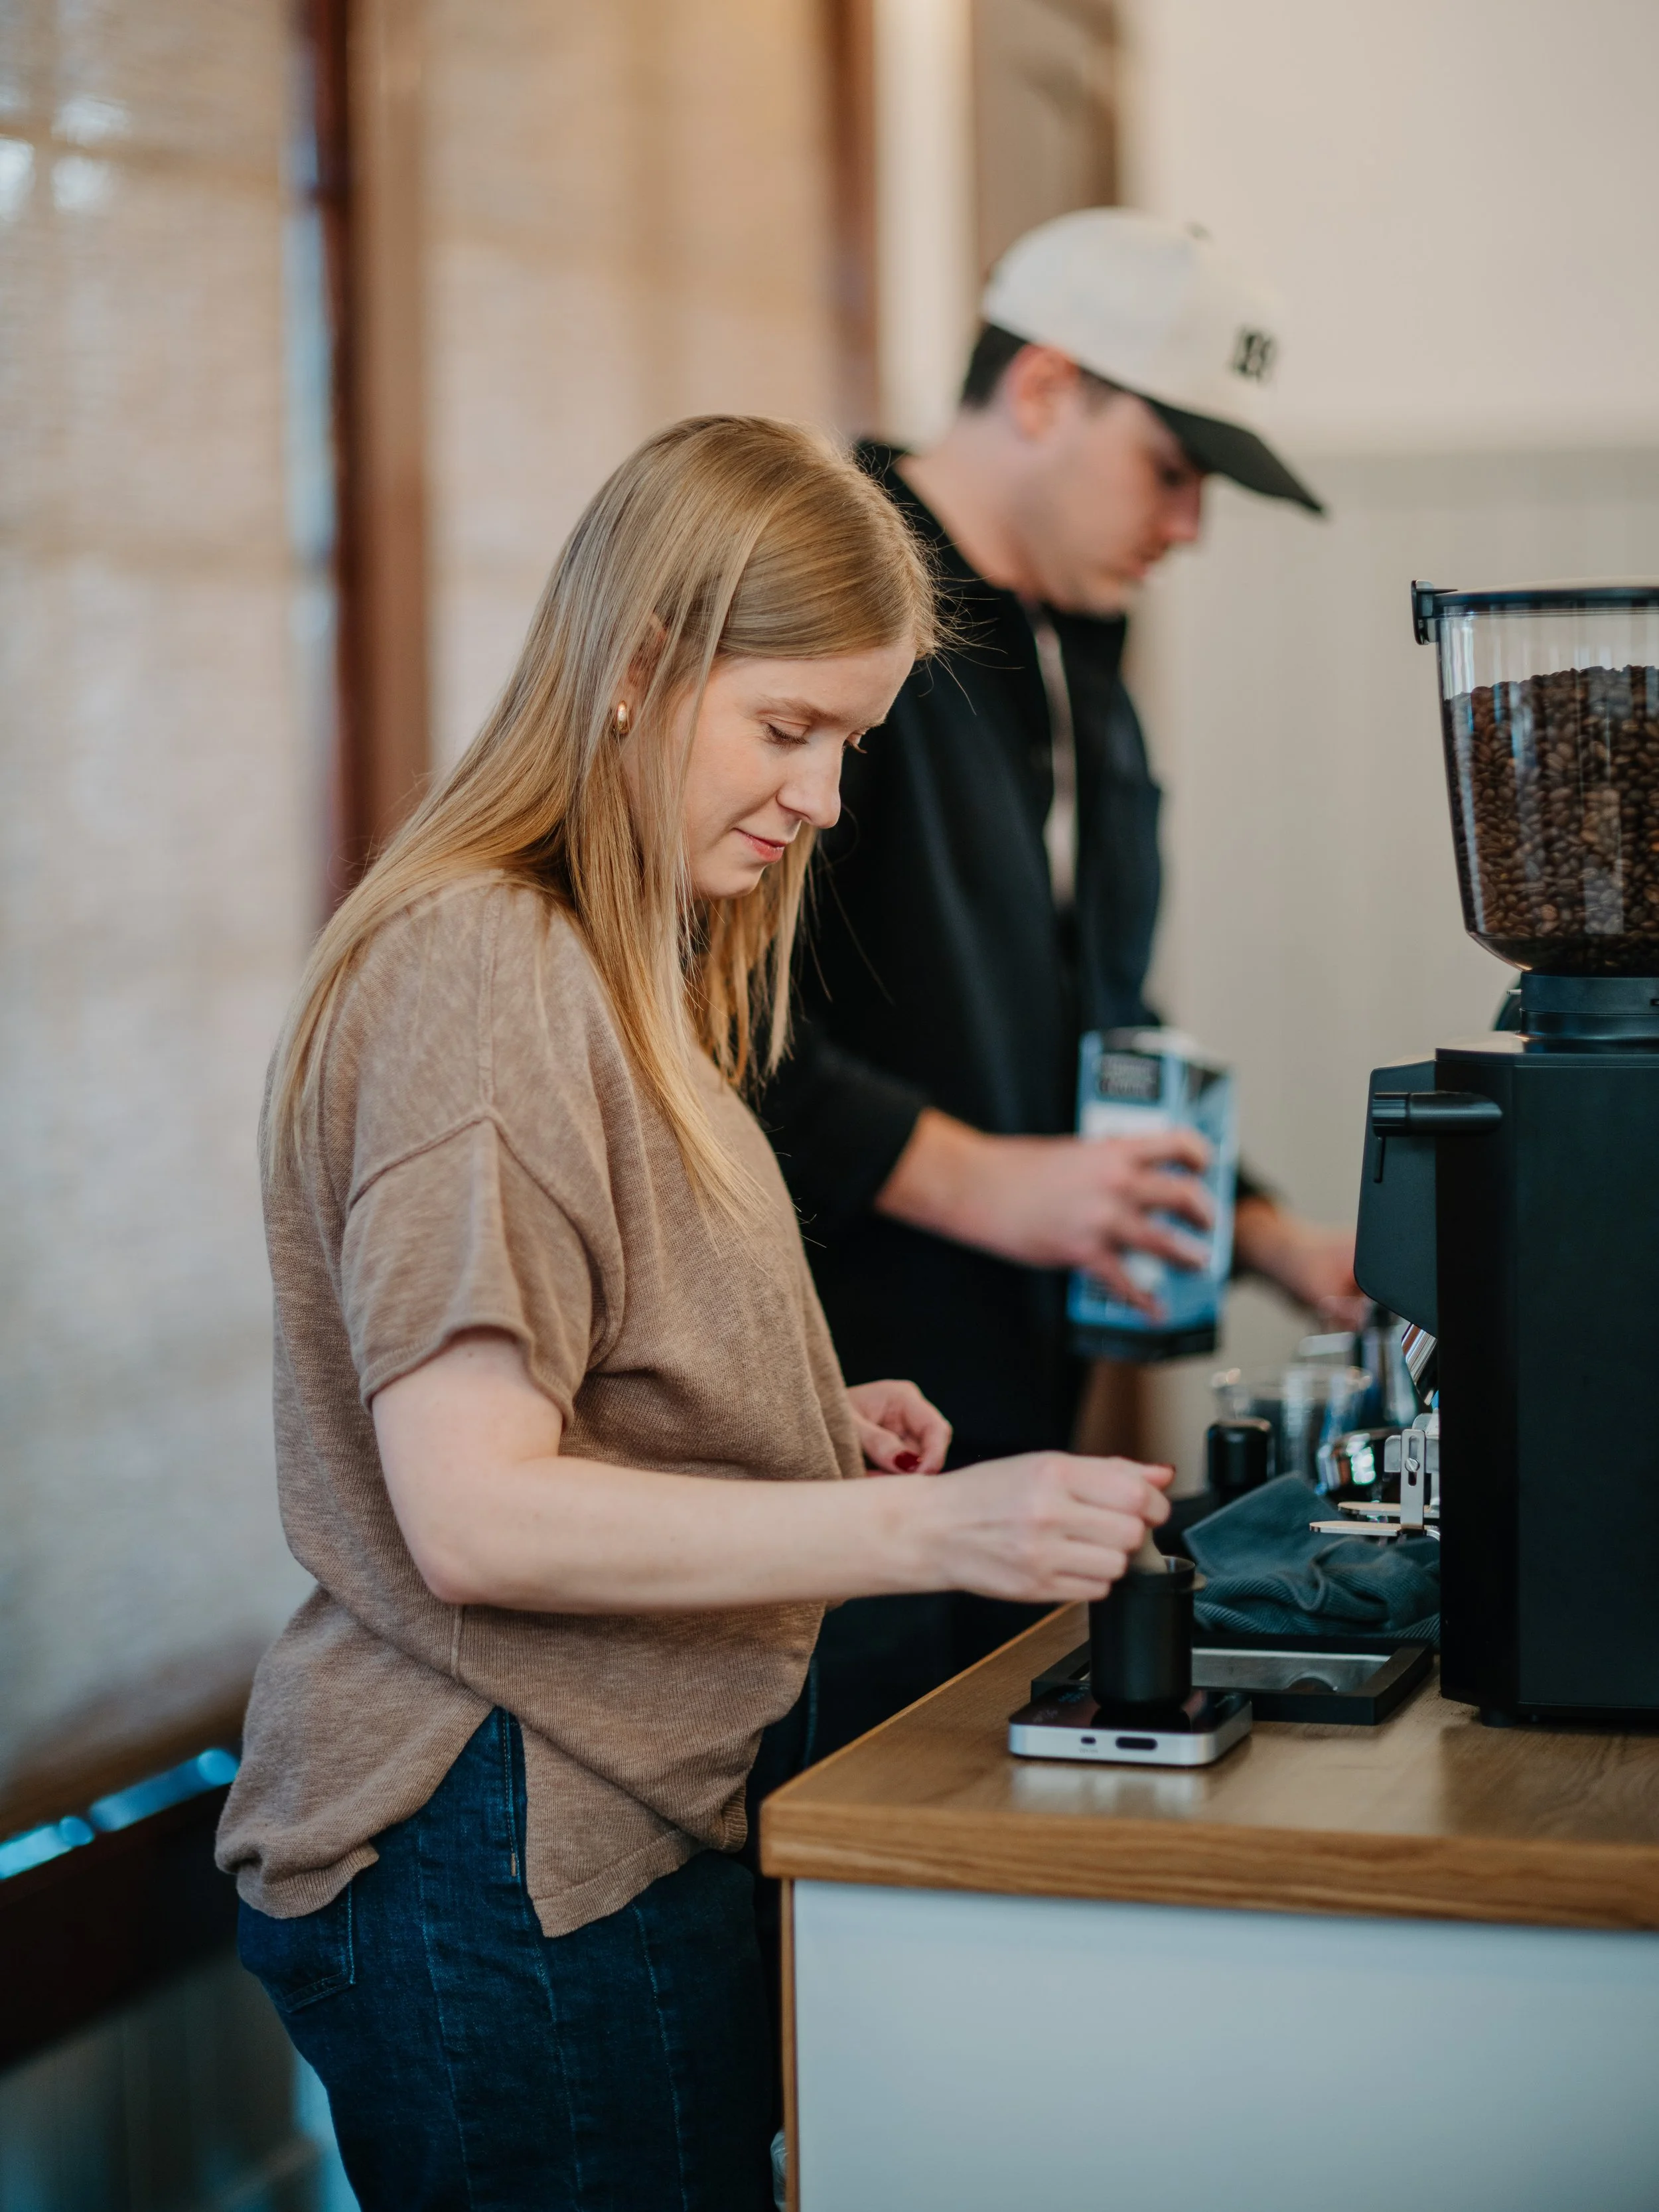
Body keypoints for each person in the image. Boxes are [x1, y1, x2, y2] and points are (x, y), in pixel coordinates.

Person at [214, 416, 1175, 2211]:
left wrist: (798, 1413)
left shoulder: (612, 961)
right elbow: (476, 1507)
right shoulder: (483, 970)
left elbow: (576, 1377)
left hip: (590, 1816)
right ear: (637, 670)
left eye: (850, 745)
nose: (821, 797)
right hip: (498, 1832)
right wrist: (918, 1520)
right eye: (788, 728)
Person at [758, 210, 1364, 1748]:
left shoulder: (1077, 667)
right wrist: (981, 1182)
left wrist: (1270, 1233)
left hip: (1015, 1429)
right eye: (1171, 468)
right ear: (1041, 392)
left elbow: (1093, 1025)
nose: (1188, 526)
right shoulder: (822, 603)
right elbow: (707, 1019)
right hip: (822, 1429)